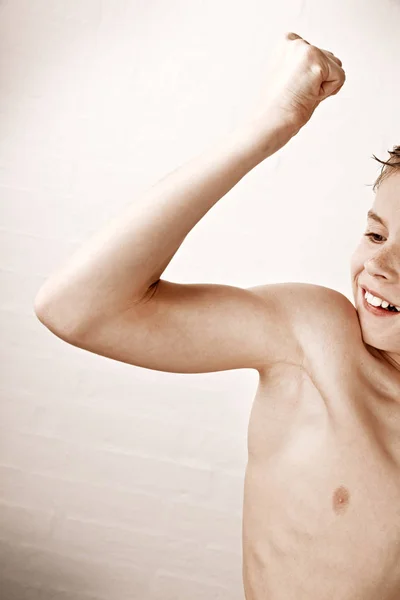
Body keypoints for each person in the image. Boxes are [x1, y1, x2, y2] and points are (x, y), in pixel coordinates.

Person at [33, 32, 400, 599]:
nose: (379, 264)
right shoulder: (316, 341)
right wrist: (267, 127)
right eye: (375, 233)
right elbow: (76, 309)